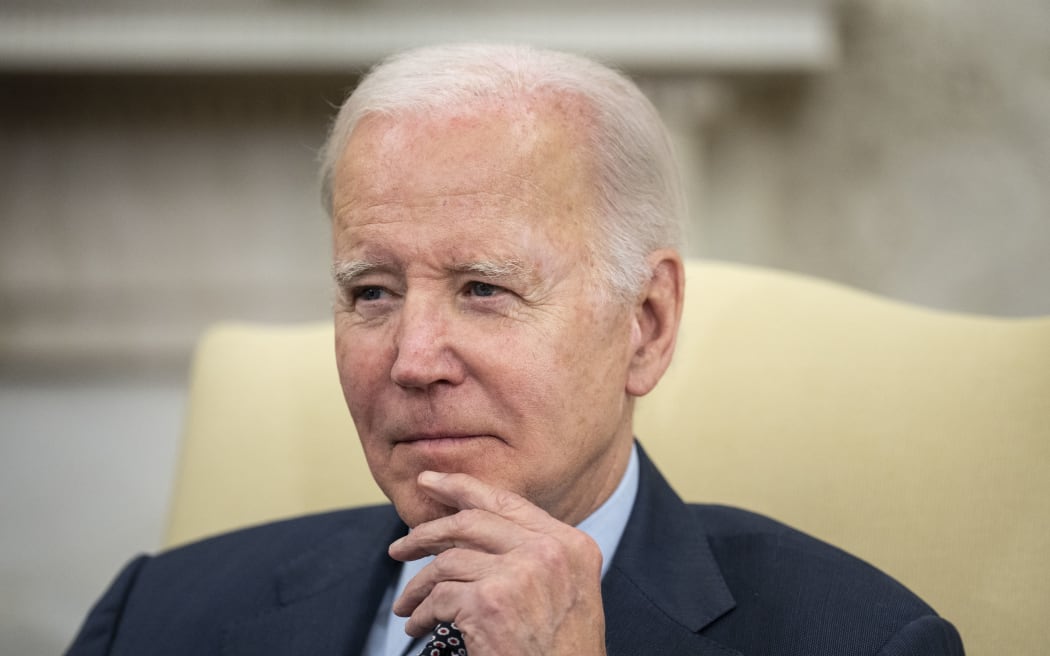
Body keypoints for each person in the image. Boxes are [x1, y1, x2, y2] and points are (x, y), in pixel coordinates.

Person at [67, 43, 964, 656]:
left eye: (484, 290)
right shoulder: (156, 616)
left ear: (645, 325)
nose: (413, 360)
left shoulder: (862, 641)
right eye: (370, 292)